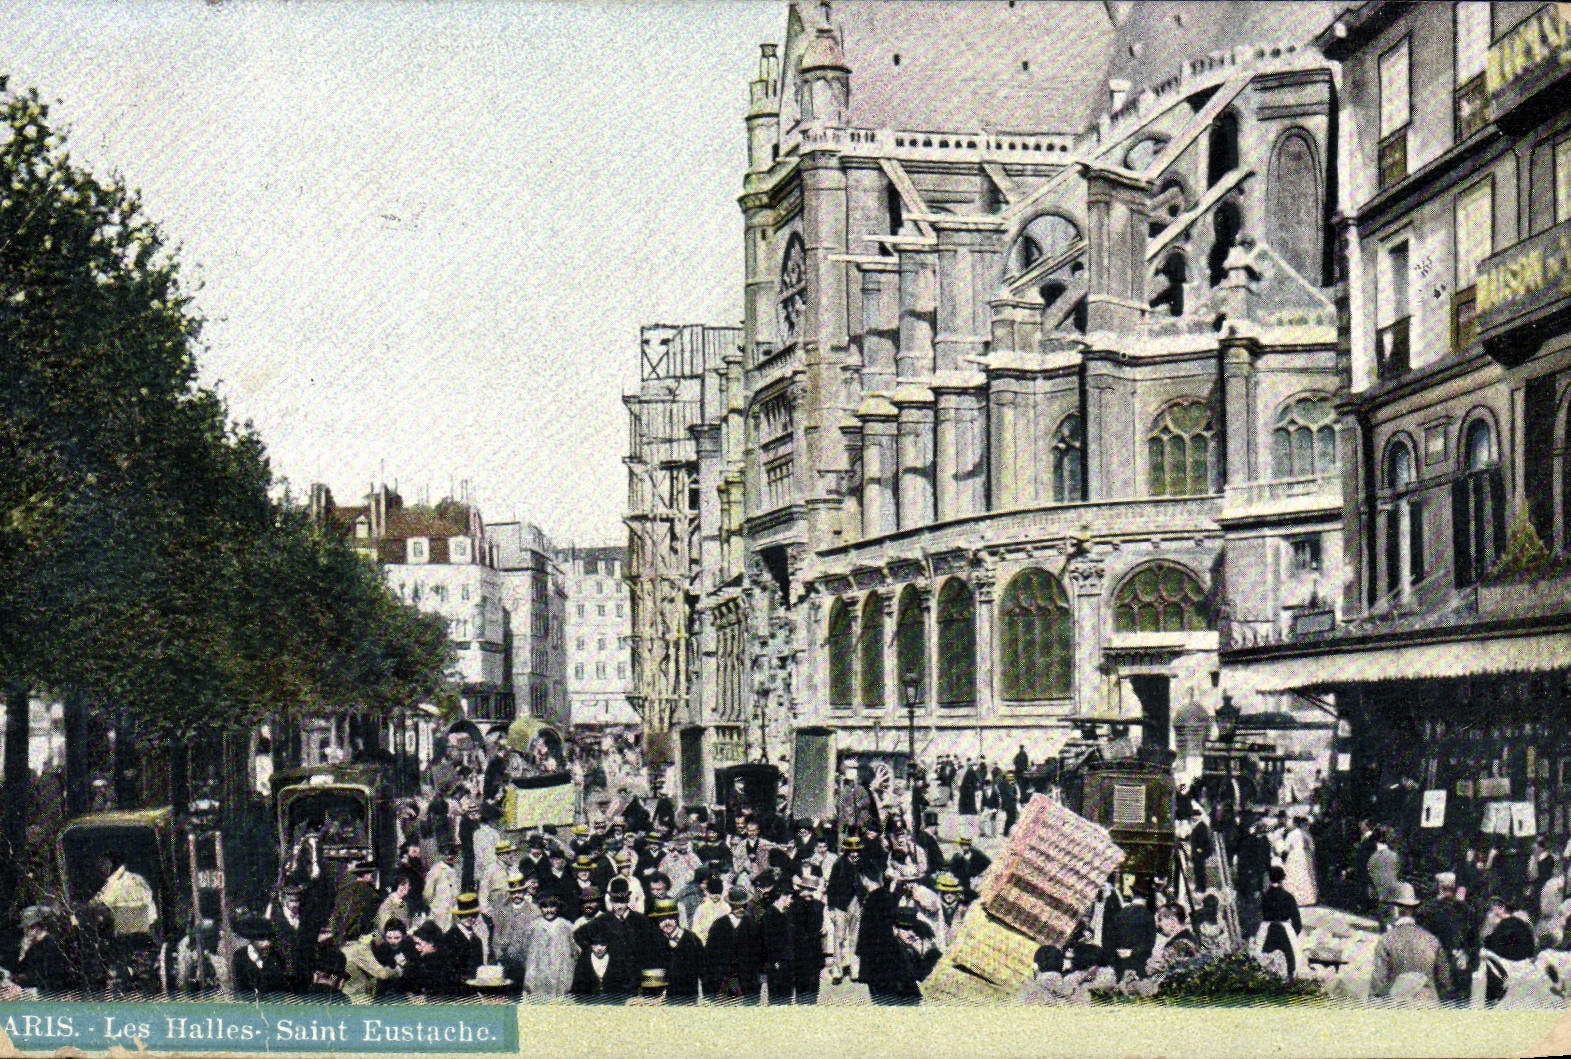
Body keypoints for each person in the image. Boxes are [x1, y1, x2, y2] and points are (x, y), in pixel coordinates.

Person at [1369, 882, 1452, 1006]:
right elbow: (1445, 983)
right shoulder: (1432, 940)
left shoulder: (1386, 941)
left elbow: (1377, 987)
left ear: (1395, 910)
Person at [703, 886, 765, 1004]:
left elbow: (758, 954)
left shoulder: (752, 925)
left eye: (743, 905)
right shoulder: (719, 925)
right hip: (723, 978)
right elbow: (710, 955)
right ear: (730, 905)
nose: (740, 909)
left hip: (746, 979)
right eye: (736, 906)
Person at [648, 897, 703, 1004]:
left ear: (676, 918)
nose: (666, 923)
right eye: (662, 920)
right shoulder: (655, 942)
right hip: (664, 1001)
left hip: (689, 998)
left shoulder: (691, 939)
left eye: (670, 918)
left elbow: (703, 970)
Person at [825, 835, 864, 984]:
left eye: (857, 851)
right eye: (851, 851)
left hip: (856, 903)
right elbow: (831, 887)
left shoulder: (862, 864)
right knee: (839, 938)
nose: (855, 854)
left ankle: (855, 971)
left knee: (855, 938)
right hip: (841, 905)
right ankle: (837, 971)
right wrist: (831, 908)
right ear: (846, 852)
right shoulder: (839, 864)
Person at [92, 851, 158, 938]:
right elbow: (152, 913)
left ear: (110, 864)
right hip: (143, 934)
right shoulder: (137, 879)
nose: (99, 868)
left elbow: (99, 908)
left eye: (102, 864)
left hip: (125, 938)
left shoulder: (114, 884)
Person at [522, 893, 576, 998]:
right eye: (545, 907)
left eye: (552, 907)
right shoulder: (534, 926)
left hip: (559, 971)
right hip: (539, 971)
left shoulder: (566, 926)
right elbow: (528, 952)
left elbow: (573, 951)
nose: (549, 910)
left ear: (557, 908)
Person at [11, 906, 70, 996]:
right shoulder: (34, 947)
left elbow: (50, 977)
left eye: (29, 928)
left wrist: (21, 978)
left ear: (39, 928)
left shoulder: (50, 946)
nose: (26, 932)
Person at [571, 919, 633, 1004]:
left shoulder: (616, 961)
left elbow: (624, 983)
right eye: (595, 944)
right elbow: (578, 988)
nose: (599, 948)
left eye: (603, 944)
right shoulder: (583, 962)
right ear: (590, 944)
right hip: (590, 1004)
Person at [1258, 865, 1302, 979]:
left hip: (1266, 932)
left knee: (1264, 961)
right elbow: (1297, 923)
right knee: (1290, 963)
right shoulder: (1288, 897)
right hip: (1285, 932)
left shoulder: (1264, 896)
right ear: (1283, 879)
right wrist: (1292, 934)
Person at [327, 860, 382, 947]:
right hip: (358, 939)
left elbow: (336, 915)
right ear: (367, 875)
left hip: (340, 937)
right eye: (372, 874)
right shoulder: (369, 892)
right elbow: (372, 918)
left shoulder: (344, 890)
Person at [231, 917, 287, 1001]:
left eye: (269, 939)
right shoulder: (240, 956)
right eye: (262, 939)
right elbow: (240, 987)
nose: (266, 943)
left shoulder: (275, 956)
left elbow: (279, 985)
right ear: (253, 939)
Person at [340, 927, 401, 1004]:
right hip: (355, 996)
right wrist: (398, 968)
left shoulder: (347, 946)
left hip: (345, 992)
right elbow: (382, 974)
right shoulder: (361, 949)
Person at [424, 842, 462, 931]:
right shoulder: (436, 870)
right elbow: (427, 893)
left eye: (452, 854)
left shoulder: (456, 869)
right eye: (446, 854)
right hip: (440, 909)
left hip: (454, 908)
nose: (449, 857)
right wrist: (435, 906)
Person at [1282, 815, 1318, 907]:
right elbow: (1312, 847)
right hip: (1303, 855)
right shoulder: (1305, 834)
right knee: (1304, 876)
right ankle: (1306, 899)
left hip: (1293, 855)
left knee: (1293, 876)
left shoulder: (1291, 834)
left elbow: (1286, 848)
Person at [1367, 829, 1402, 907]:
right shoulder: (1394, 855)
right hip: (1393, 890)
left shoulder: (1372, 857)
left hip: (1380, 892)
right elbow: (1397, 870)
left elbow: (1370, 873)